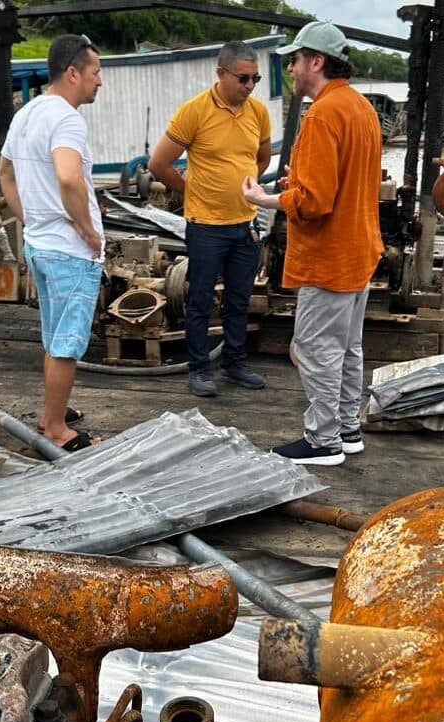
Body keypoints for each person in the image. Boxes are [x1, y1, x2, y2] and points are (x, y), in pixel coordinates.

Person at [242, 21, 383, 466]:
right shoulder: (360, 107)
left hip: (329, 254)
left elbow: (317, 203)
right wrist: (297, 180)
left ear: (316, 62)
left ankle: (323, 441)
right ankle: (347, 428)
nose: (291, 69)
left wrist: (267, 197)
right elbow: (343, 181)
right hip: (359, 249)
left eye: (295, 60)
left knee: (314, 348)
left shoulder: (322, 113)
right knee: (347, 346)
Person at [0, 34, 104, 452]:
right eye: (96, 73)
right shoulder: (66, 119)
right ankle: (57, 429)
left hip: (40, 244)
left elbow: (4, 172)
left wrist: (30, 218)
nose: (100, 82)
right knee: (66, 343)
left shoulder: (28, 112)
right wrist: (86, 228)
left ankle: (51, 413)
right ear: (73, 72)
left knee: (53, 336)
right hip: (67, 250)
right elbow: (67, 176)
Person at [149, 41, 272, 398]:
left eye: (255, 79)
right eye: (243, 78)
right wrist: (194, 191)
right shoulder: (195, 111)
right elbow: (159, 164)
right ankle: (199, 368)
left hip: (245, 222)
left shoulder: (258, 112)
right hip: (206, 225)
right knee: (201, 298)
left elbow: (261, 158)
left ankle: (234, 363)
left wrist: (244, 183)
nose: (249, 86)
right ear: (221, 73)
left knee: (239, 298)